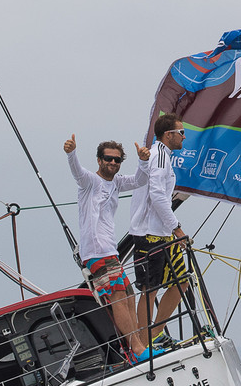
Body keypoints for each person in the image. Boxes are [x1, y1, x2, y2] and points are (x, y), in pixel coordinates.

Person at [64, 134, 152, 358]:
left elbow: (140, 180)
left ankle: (135, 346)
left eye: (117, 159)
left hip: (110, 251)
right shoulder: (90, 182)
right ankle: (136, 349)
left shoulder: (117, 182)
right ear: (99, 160)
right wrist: (71, 153)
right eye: (108, 158)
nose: (113, 162)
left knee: (129, 296)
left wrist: (143, 161)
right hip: (96, 251)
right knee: (118, 297)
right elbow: (77, 172)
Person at [131, 112, 191, 349]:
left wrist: (171, 230)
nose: (184, 137)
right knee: (150, 290)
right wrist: (177, 229)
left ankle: (154, 333)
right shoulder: (159, 156)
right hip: (149, 234)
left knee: (182, 282)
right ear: (168, 135)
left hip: (162, 233)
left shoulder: (164, 156)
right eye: (181, 132)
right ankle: (144, 342)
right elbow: (156, 195)